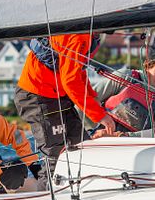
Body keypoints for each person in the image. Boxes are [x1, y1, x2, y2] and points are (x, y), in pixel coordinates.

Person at [14, 33, 115, 189]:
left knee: (82, 148)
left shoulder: (90, 35)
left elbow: (78, 71)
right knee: (55, 158)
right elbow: (70, 80)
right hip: (38, 95)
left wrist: (93, 100)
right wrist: (99, 115)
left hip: (57, 95)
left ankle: (84, 192)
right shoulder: (79, 36)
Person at [93, 49, 155, 135]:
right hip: (99, 141)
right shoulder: (125, 77)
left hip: (136, 150)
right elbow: (87, 99)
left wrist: (118, 136)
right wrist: (84, 134)